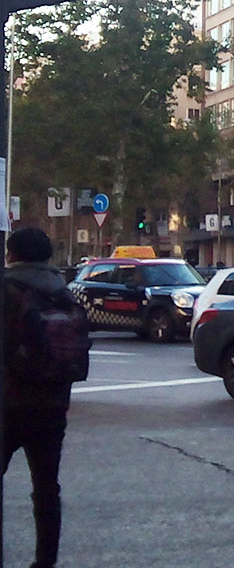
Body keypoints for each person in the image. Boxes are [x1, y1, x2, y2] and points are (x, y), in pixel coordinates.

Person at [4, 226, 75, 568]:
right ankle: (45, 561)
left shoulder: (6, 290)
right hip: (53, 404)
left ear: (12, 255)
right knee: (47, 487)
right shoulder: (64, 293)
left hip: (9, 403)